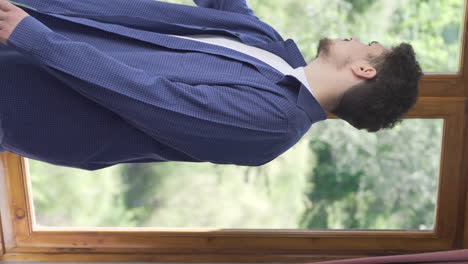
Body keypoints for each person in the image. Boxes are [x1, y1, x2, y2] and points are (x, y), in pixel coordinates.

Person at [0, 0, 422, 170]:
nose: (356, 37)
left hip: (24, 94)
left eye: (369, 46)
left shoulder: (272, 126)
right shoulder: (272, 48)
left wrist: (33, 37)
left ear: (365, 71)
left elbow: (143, 96)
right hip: (35, 36)